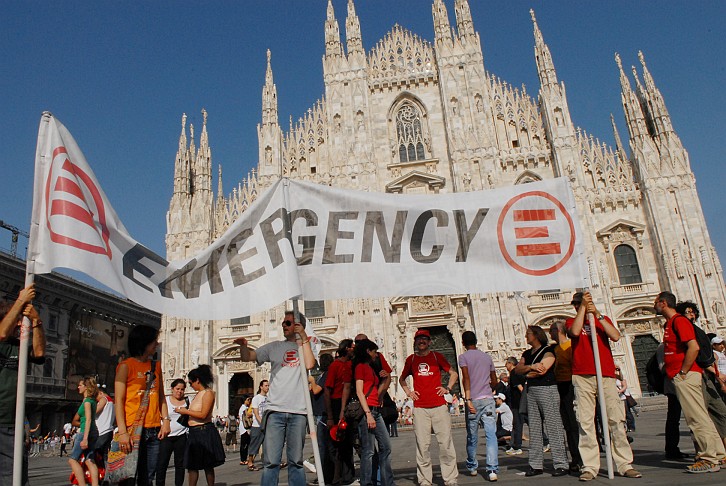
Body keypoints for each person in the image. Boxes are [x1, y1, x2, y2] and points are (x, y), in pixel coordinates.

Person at [566, 291, 641, 481]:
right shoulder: (571, 322)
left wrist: (597, 314)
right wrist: (583, 308)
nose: (577, 306)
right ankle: (590, 466)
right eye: (576, 304)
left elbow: (615, 336)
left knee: (615, 419)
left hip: (605, 374)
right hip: (582, 375)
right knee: (585, 421)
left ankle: (624, 463)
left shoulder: (602, 319)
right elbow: (574, 332)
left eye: (579, 303)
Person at [235, 311, 315, 486]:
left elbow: (309, 364)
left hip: (298, 411)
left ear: (298, 324)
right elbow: (249, 357)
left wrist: (303, 336)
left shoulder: (306, 346)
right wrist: (243, 346)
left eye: (288, 323)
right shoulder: (274, 347)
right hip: (275, 411)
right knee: (271, 462)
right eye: (283, 323)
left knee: (296, 461)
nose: (283, 325)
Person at [656, 292, 726, 473]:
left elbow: (693, 347)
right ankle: (718, 455)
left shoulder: (679, 321)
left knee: (696, 418)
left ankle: (708, 459)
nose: (654, 305)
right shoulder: (672, 323)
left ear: (663, 303)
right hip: (684, 375)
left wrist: (683, 371)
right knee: (702, 416)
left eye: (656, 302)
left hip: (686, 376)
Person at [400, 329, 459, 486]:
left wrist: (448, 388)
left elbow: (453, 373)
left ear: (429, 341)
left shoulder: (436, 357)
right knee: (423, 446)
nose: (422, 342)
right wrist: (409, 393)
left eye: (424, 339)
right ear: (415, 342)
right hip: (420, 408)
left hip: (439, 405)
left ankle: (450, 478)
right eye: (419, 339)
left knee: (445, 443)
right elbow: (402, 379)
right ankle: (425, 480)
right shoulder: (411, 360)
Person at [114, 325, 171, 486]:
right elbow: (119, 401)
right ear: (143, 343)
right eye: (154, 342)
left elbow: (160, 396)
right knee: (128, 476)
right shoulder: (126, 366)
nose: (157, 345)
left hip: (153, 430)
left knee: (148, 477)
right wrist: (123, 432)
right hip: (133, 429)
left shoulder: (156, 366)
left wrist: (165, 420)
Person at [0, 284, 44, 486]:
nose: (20, 325)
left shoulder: (18, 347)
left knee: (14, 478)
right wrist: (20, 301)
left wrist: (36, 321)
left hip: (11, 422)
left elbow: (39, 353)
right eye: (17, 320)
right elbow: (1, 334)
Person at [514, 325, 568, 477]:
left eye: (528, 334)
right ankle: (536, 465)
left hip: (547, 389)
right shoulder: (526, 353)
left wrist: (528, 372)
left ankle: (561, 463)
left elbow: (542, 370)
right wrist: (530, 368)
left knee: (553, 426)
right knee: (535, 428)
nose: (526, 336)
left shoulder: (548, 351)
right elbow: (517, 370)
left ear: (536, 335)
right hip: (531, 391)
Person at [352, 339, 394, 486]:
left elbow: (377, 389)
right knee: (368, 451)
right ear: (368, 351)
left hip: (376, 410)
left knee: (386, 446)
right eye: (374, 351)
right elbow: (359, 391)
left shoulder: (371, 367)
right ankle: (366, 483)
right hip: (368, 412)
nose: (376, 354)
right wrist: (368, 413)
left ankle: (386, 481)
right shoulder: (360, 367)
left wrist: (384, 377)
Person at [458, 330, 499, 481]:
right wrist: (490, 387)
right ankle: (492, 469)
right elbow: (494, 379)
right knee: (491, 435)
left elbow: (466, 378)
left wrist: (468, 399)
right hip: (488, 399)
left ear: (463, 343)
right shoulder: (487, 356)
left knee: (472, 435)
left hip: (473, 400)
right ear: (476, 341)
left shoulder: (463, 357)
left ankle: (473, 466)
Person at [176, 365, 225, 486]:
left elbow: (203, 414)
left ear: (197, 380)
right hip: (194, 432)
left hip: (204, 431)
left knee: (208, 465)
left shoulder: (208, 393)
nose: (190, 385)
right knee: (192, 466)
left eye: (191, 382)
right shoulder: (198, 394)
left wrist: (185, 411)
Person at [549, 321, 582, 473]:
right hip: (559, 386)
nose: (550, 334)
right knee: (568, 425)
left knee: (575, 424)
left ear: (558, 331)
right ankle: (575, 458)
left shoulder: (570, 346)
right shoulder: (554, 349)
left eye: (551, 331)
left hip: (571, 386)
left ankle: (581, 458)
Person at [325, 338, 356, 486]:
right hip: (336, 403)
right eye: (352, 347)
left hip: (349, 405)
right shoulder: (335, 366)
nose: (354, 349)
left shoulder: (351, 364)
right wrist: (331, 416)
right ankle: (335, 477)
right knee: (336, 444)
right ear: (346, 349)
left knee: (348, 442)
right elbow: (327, 391)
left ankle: (348, 476)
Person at [68, 376, 100, 486]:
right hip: (94, 431)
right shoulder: (93, 400)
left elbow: (88, 419)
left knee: (73, 460)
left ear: (86, 387)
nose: (78, 387)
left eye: (80, 385)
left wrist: (85, 438)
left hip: (85, 432)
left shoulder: (87, 401)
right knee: (89, 460)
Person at [157, 378, 188, 486]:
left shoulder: (187, 402)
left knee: (180, 465)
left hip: (182, 436)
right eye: (177, 389)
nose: (179, 391)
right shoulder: (165, 401)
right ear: (172, 389)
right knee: (162, 464)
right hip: (166, 436)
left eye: (182, 389)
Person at [310, 354, 334, 484]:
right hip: (322, 412)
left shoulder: (326, 375)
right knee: (324, 446)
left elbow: (316, 390)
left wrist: (311, 380)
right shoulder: (325, 375)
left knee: (323, 447)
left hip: (323, 414)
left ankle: (325, 475)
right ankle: (326, 474)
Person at [245, 380, 268, 471]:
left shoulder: (268, 398)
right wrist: (262, 423)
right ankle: (250, 462)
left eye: (268, 385)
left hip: (267, 425)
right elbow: (256, 413)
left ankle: (271, 462)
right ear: (261, 387)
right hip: (257, 426)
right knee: (254, 445)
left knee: (268, 445)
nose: (267, 387)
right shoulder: (256, 398)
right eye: (266, 385)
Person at [504, 357, 524, 456]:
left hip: (518, 403)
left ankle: (517, 446)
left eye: (506, 364)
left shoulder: (514, 373)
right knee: (529, 422)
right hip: (520, 403)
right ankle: (546, 441)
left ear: (510, 363)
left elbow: (520, 388)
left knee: (517, 425)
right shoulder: (519, 372)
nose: (505, 366)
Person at [93, 385, 115, 471]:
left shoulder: (104, 399)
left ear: (101, 393)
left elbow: (95, 411)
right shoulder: (112, 402)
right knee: (104, 455)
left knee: (96, 454)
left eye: (96, 396)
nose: (96, 399)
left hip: (102, 431)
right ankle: (105, 473)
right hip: (109, 430)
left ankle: (101, 473)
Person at [615, 367, 636, 433]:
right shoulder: (611, 378)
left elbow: (625, 386)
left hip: (623, 397)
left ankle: (631, 427)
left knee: (627, 413)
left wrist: (620, 391)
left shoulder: (620, 377)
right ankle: (623, 427)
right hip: (616, 398)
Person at [238, 396, 252, 466]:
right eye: (248, 400)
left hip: (244, 428)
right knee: (244, 444)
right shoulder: (244, 408)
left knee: (246, 444)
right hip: (244, 428)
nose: (249, 401)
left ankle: (244, 458)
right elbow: (246, 417)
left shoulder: (244, 408)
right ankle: (243, 459)